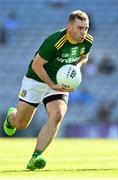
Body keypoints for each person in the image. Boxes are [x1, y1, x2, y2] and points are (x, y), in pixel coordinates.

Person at [3, 10, 93, 170]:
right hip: (36, 79)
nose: (83, 32)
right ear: (69, 27)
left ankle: (35, 157)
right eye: (80, 28)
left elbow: (84, 57)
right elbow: (36, 65)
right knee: (21, 124)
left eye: (86, 28)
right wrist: (51, 84)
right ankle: (11, 118)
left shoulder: (87, 41)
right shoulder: (55, 41)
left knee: (58, 114)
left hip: (60, 82)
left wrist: (76, 68)